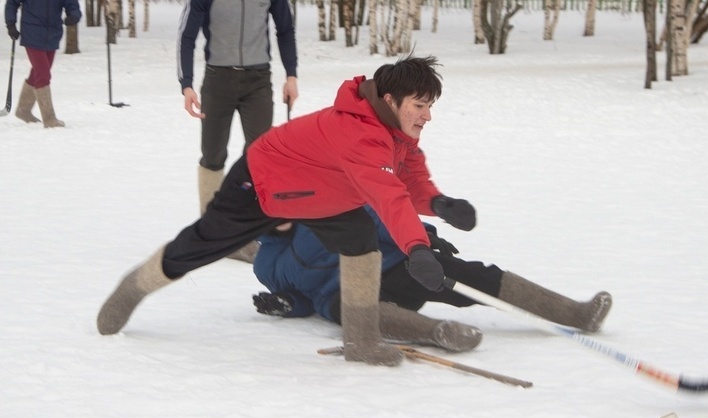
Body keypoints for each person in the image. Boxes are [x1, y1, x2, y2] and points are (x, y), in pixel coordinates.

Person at [96, 55, 477, 368]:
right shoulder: (362, 135)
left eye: (430, 106)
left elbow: (408, 178)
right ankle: (133, 288)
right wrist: (417, 247)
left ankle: (361, 341)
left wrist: (439, 204)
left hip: (320, 194)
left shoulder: (395, 131)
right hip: (263, 183)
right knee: (201, 244)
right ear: (391, 100)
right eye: (420, 106)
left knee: (360, 238)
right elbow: (388, 196)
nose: (427, 116)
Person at [251, 209, 613, 333]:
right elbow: (305, 299)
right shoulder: (265, 264)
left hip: (394, 265)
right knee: (356, 314)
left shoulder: (324, 208)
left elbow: (379, 216)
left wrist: (420, 237)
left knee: (473, 277)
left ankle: (575, 313)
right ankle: (441, 334)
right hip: (342, 297)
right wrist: (287, 304)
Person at [177, 0, 299, 261]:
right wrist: (186, 84)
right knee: (213, 154)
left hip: (258, 81)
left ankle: (245, 232)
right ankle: (209, 233)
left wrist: (292, 75)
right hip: (217, 80)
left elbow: (285, 29)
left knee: (259, 157)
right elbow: (186, 35)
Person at [5, 0, 81, 127]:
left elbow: (71, 4)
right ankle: (49, 118)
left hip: (53, 34)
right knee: (43, 73)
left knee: (38, 72)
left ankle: (23, 110)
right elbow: (12, 3)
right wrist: (10, 24)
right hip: (31, 33)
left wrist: (73, 15)